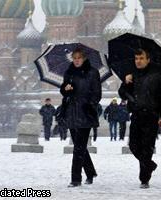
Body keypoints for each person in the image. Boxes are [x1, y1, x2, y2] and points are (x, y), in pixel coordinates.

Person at [118, 48, 161, 188]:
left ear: (148, 59)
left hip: (152, 116)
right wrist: (125, 82)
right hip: (136, 115)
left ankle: (144, 179)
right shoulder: (133, 76)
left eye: (141, 58)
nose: (138, 61)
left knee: (147, 148)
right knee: (133, 146)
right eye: (136, 59)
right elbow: (122, 94)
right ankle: (150, 165)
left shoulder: (157, 76)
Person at [60, 48, 102, 187]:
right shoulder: (69, 73)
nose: (77, 60)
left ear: (84, 58)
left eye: (79, 57)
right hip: (71, 112)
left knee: (78, 147)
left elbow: (97, 93)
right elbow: (64, 90)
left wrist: (90, 105)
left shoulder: (92, 72)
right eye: (74, 57)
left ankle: (75, 179)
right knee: (80, 146)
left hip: (86, 113)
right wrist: (65, 89)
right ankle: (90, 172)